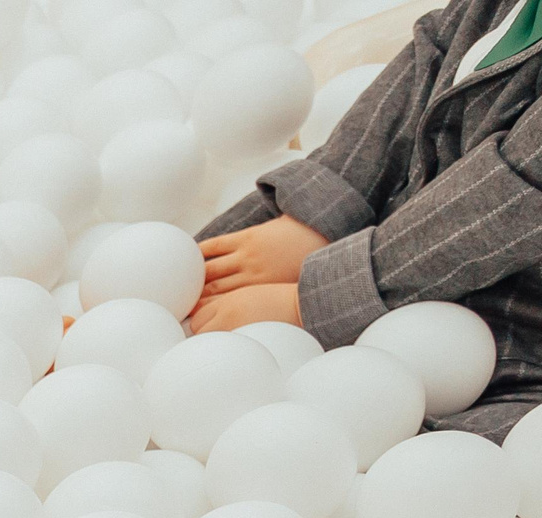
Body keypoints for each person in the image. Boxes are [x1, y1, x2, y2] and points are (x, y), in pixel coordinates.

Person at [191, 0, 542, 441]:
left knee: (409, 443)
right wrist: (320, 211)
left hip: (520, 329)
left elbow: (518, 189)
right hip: (410, 241)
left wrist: (323, 297)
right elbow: (429, 56)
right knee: (196, 290)